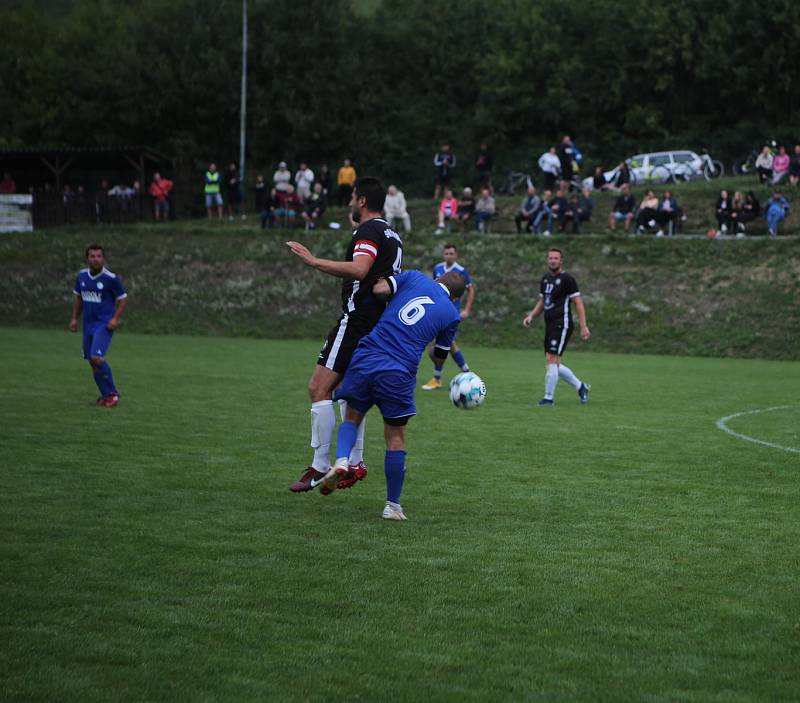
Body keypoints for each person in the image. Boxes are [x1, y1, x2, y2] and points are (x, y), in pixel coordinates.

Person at [317, 269, 466, 520]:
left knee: (352, 416)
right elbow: (440, 355)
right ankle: (392, 506)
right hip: (399, 370)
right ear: (455, 299)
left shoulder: (415, 277)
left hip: (368, 355)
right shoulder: (451, 313)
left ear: (436, 279)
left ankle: (342, 460)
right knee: (395, 436)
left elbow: (379, 289)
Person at [285, 177, 403, 493]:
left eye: (353, 196)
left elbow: (361, 269)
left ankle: (320, 466)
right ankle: (355, 462)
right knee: (351, 393)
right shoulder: (391, 233)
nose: (350, 201)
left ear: (362, 201)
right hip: (378, 324)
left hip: (356, 320)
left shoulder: (369, 230)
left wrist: (314, 261)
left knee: (318, 388)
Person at [522, 247, 590, 406]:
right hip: (550, 324)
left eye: (555, 258)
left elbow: (578, 303)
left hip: (563, 323)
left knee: (552, 360)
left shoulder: (567, 279)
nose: (552, 260)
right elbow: (542, 301)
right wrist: (531, 315)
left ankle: (548, 398)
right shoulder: (545, 279)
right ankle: (581, 387)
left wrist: (583, 326)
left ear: (561, 261)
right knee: (553, 362)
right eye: (550, 258)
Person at [69, 244, 129, 407]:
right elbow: (78, 298)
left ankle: (113, 394)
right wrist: (74, 318)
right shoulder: (81, 277)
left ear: (103, 258)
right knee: (91, 361)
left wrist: (115, 318)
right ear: (87, 258)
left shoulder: (111, 279)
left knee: (96, 357)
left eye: (99, 256)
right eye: (92, 256)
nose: (96, 259)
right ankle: (105, 395)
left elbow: (123, 299)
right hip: (88, 325)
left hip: (104, 325)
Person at [421, 244, 475, 390]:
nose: (449, 256)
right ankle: (466, 373)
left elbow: (471, 290)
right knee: (442, 346)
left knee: (448, 343)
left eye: (451, 253)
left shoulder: (461, 271)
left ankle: (445, 377)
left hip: (452, 314)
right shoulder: (438, 269)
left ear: (456, 255)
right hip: (438, 312)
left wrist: (466, 309)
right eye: (446, 253)